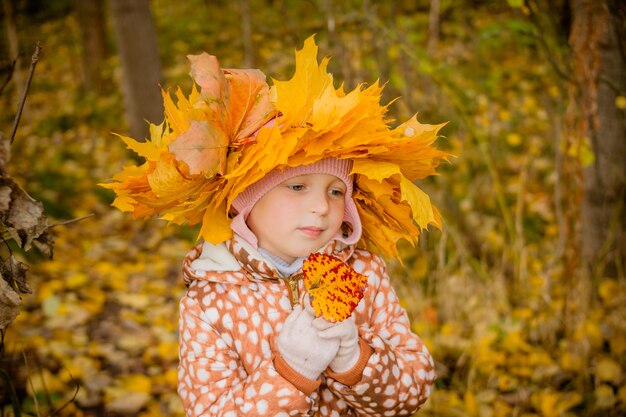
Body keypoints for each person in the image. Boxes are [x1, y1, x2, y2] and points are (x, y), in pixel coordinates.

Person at [104, 36, 449, 416]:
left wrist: (355, 359)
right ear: (247, 202)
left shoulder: (363, 272)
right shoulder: (211, 303)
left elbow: (413, 390)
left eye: (336, 192)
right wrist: (291, 373)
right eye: (297, 187)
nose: (320, 207)